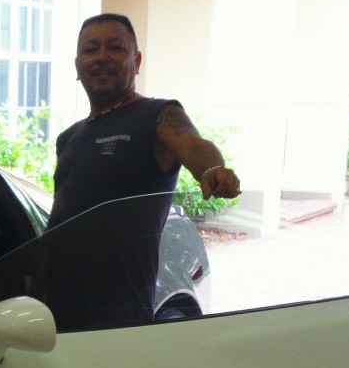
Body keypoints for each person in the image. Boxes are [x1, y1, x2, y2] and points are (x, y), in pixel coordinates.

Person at [48, 13, 241, 228]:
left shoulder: (158, 115)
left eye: (115, 47)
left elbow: (194, 147)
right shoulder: (67, 137)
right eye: (91, 49)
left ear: (137, 61)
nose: (102, 57)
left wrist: (212, 171)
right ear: (77, 66)